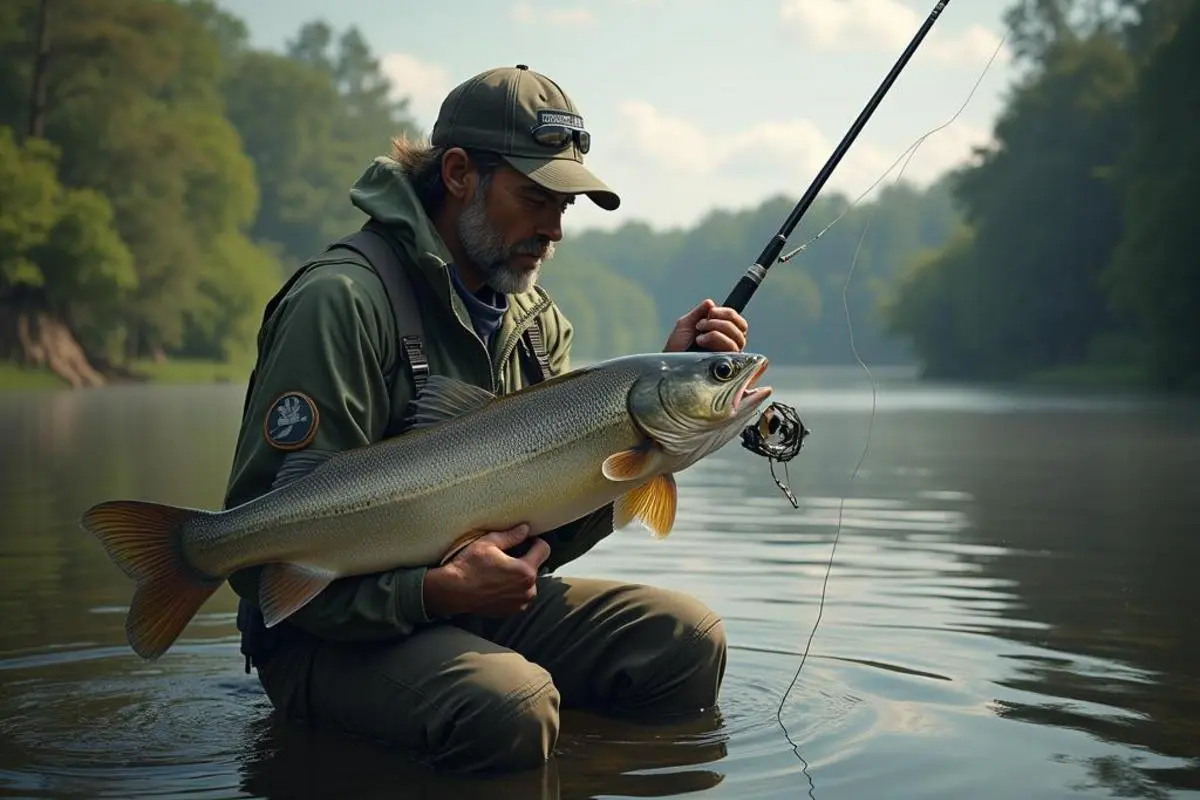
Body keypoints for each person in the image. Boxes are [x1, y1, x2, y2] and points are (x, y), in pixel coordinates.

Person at [223, 64, 751, 774]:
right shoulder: (340, 303)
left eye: (566, 207)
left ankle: (571, 774)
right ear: (460, 173)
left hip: (466, 610)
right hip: (326, 635)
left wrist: (655, 422)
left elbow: (545, 537)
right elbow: (261, 561)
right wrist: (431, 590)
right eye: (536, 198)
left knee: (685, 640)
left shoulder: (537, 325)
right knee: (509, 703)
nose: (554, 228)